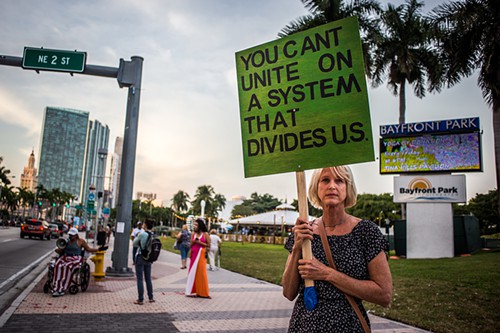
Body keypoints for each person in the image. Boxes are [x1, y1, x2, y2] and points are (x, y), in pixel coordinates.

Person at [282, 166, 393, 332]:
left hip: (348, 326)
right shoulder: (304, 231)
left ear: (348, 188)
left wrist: (327, 274)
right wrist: (298, 246)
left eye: (339, 181)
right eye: (325, 180)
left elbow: (384, 295)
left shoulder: (366, 232)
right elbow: (289, 293)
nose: (332, 186)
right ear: (316, 187)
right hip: (304, 326)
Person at [51, 227, 102, 297]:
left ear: (76, 235)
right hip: (66, 257)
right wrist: (59, 249)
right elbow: (61, 250)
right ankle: (57, 287)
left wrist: (98, 249)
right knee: (58, 265)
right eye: (70, 235)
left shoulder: (81, 241)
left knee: (68, 267)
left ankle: (62, 288)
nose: (71, 236)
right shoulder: (66, 241)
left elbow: (88, 249)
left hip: (75, 258)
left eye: (72, 235)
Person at [185, 217, 210, 298]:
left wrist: (199, 242)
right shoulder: (193, 234)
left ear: (200, 226)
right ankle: (192, 291)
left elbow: (208, 245)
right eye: (194, 225)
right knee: (193, 272)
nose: (194, 226)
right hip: (194, 254)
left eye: (196, 225)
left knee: (201, 273)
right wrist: (193, 241)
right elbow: (191, 245)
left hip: (201, 254)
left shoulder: (205, 234)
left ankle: (203, 292)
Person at [132, 219, 155, 304]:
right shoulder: (153, 235)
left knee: (140, 278)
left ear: (145, 225)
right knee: (148, 278)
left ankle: (140, 299)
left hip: (141, 256)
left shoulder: (142, 234)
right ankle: (151, 297)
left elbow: (134, 244)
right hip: (149, 258)